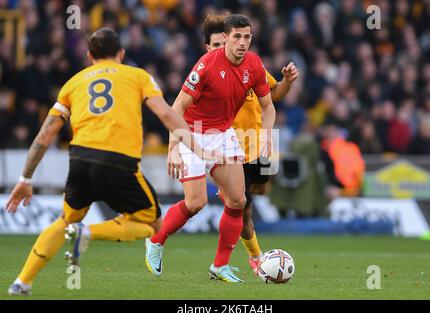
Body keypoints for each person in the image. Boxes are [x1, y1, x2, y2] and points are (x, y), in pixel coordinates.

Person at [5, 28, 209, 296]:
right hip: (118, 162)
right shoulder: (138, 76)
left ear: (90, 56)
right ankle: (87, 233)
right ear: (121, 54)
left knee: (65, 219)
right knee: (153, 226)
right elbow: (166, 115)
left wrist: (25, 179)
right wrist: (198, 148)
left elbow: (45, 135)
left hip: (79, 160)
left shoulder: (73, 82)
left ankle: (22, 281)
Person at [145, 14, 276, 283]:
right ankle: (156, 240)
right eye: (237, 37)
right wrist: (172, 148)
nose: (242, 42)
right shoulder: (206, 66)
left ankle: (219, 266)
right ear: (226, 38)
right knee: (196, 203)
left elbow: (268, 105)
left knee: (238, 200)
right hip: (193, 133)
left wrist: (266, 134)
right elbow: (177, 108)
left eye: (247, 37)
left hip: (223, 134)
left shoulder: (254, 63)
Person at [200, 14, 299, 273]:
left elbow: (273, 95)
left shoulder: (251, 66)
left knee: (259, 191)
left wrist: (287, 81)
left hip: (258, 144)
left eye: (244, 38)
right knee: (241, 205)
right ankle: (253, 258)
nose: (223, 50)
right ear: (208, 48)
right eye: (216, 46)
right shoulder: (206, 73)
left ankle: (238, 207)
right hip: (230, 149)